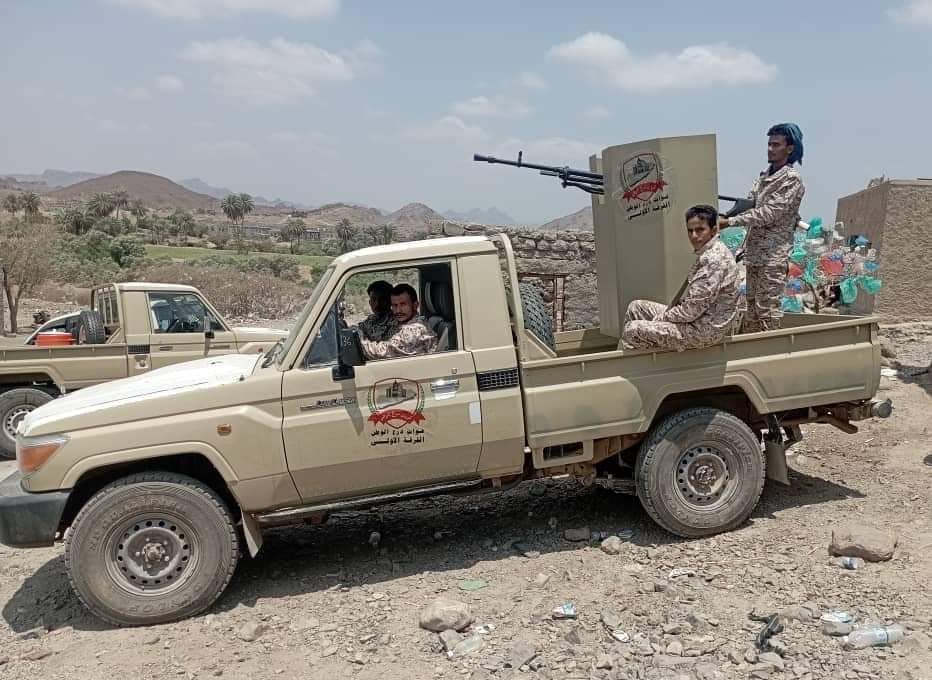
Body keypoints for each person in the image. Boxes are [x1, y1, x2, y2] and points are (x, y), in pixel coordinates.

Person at [719, 123, 806, 332]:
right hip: (755, 255)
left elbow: (769, 213)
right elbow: (749, 204)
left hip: (773, 257)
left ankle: (771, 351)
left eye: (776, 145)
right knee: (751, 311)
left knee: (767, 312)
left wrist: (730, 222)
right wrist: (726, 215)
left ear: (790, 148)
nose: (770, 149)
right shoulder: (763, 178)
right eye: (769, 144)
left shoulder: (791, 179)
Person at [622, 204, 739, 351]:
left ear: (713, 230)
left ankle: (649, 364)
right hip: (698, 319)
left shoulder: (714, 260)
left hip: (704, 330)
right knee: (636, 307)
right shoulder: (709, 251)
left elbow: (691, 311)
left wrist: (661, 319)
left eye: (700, 230)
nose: (694, 236)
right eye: (690, 231)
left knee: (633, 330)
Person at [360, 283, 437, 359]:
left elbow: (379, 352)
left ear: (415, 305)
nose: (398, 310)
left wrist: (358, 339)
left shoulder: (414, 330)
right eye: (395, 305)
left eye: (403, 304)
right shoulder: (402, 321)